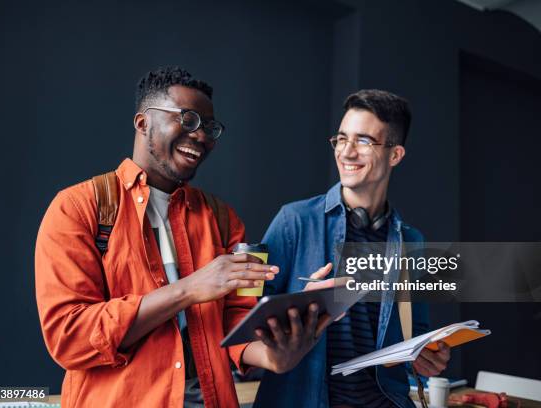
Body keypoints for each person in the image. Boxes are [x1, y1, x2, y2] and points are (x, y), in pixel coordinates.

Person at [35, 66, 328, 408]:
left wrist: (278, 352)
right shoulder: (77, 208)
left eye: (210, 128)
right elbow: (69, 337)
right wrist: (189, 289)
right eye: (188, 120)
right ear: (143, 123)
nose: (202, 136)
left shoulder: (222, 219)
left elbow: (236, 324)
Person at [254, 89, 451, 408]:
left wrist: (427, 356)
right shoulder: (295, 220)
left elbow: (417, 333)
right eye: (341, 139)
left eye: (363, 141)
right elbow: (250, 321)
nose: (346, 152)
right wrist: (307, 305)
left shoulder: (412, 242)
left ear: (395, 155)